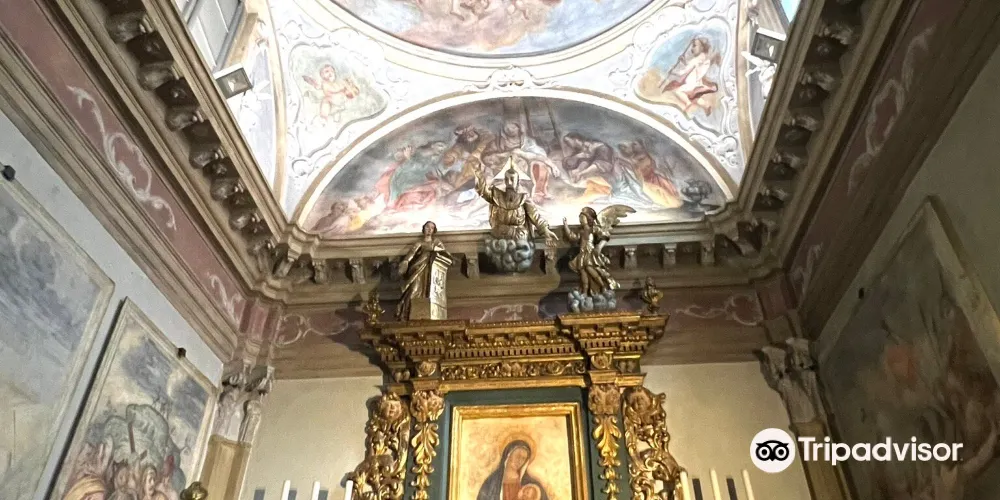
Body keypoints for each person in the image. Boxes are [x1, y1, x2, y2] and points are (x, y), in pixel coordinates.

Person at [474, 158, 559, 243]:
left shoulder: (524, 198)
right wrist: (480, 176)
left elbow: (535, 216)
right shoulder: (496, 196)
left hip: (519, 237)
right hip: (499, 236)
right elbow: (483, 191)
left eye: (512, 179)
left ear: (517, 181)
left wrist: (545, 229)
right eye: (506, 179)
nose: (509, 183)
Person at [397, 221, 452, 320]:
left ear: (434, 230)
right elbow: (412, 253)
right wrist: (406, 261)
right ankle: (406, 313)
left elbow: (445, 253)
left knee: (429, 291)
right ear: (423, 229)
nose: (429, 229)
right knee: (413, 290)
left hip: (431, 270)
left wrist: (435, 250)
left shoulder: (436, 242)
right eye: (427, 227)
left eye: (432, 228)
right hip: (419, 269)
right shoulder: (420, 242)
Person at [476, 440, 549, 500]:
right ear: (509, 454)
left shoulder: (531, 485)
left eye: (523, 458)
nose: (519, 461)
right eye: (518, 455)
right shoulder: (492, 482)